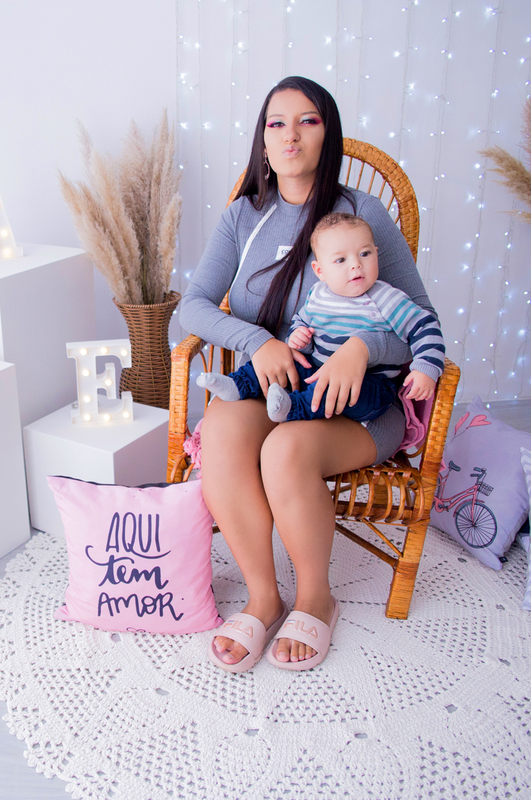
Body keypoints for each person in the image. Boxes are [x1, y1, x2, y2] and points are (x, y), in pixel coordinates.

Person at [178, 76, 441, 672]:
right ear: (263, 142)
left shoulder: (361, 215)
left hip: (361, 406)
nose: (290, 134)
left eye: (308, 120)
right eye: (277, 123)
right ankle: (265, 597)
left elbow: (422, 323)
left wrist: (361, 349)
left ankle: (318, 599)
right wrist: (256, 342)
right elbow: (189, 310)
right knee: (219, 429)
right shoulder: (242, 217)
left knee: (286, 450)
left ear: (329, 134)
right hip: (279, 387)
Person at [195, 212, 443, 425]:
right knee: (290, 365)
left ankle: (295, 408)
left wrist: (426, 367)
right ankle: (238, 384)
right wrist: (299, 336)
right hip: (318, 370)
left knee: (334, 391)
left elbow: (424, 326)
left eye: (365, 254)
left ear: (377, 254)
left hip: (369, 385)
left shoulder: (384, 297)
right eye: (341, 260)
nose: (356, 265)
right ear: (320, 271)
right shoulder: (319, 295)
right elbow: (302, 321)